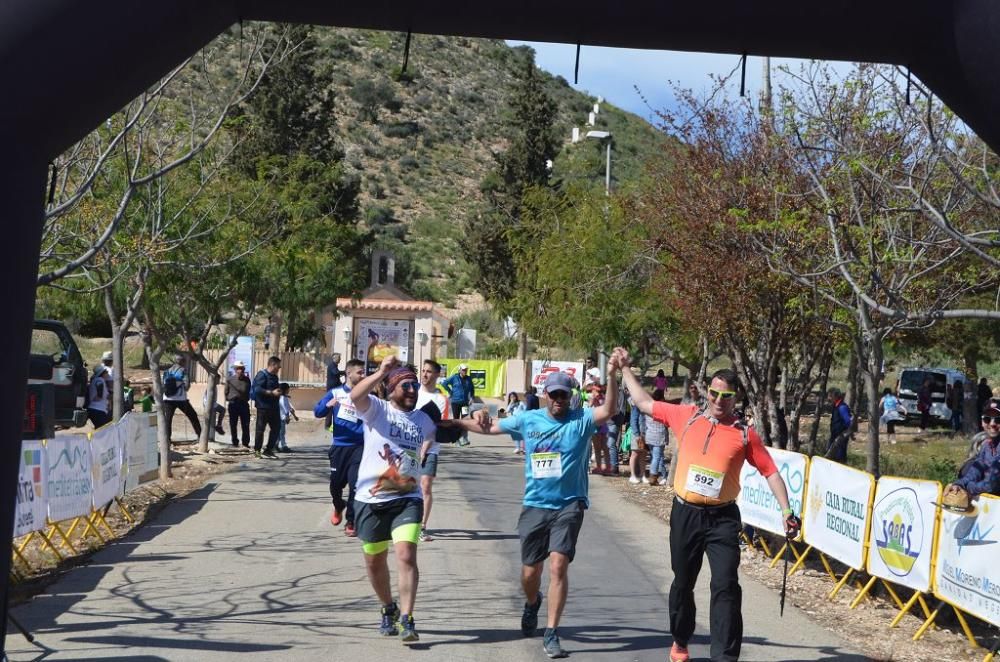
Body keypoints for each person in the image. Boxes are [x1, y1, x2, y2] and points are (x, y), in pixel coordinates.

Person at [617, 349, 798, 662]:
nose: (718, 400)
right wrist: (624, 369)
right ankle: (680, 639)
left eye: (725, 396)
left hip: (723, 518)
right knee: (683, 582)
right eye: (714, 393)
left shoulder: (744, 435)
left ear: (735, 398)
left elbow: (770, 472)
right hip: (685, 513)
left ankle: (725, 656)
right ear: (707, 392)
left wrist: (787, 512)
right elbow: (644, 403)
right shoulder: (685, 416)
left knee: (726, 584)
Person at [446, 358, 621, 659]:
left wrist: (614, 374)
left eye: (563, 395)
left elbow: (609, 410)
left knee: (557, 565)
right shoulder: (529, 419)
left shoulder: (581, 420)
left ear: (570, 396)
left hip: (569, 504)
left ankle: (551, 633)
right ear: (545, 395)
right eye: (553, 394)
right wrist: (460, 421)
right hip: (535, 505)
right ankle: (532, 603)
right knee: (530, 574)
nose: (557, 400)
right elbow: (492, 427)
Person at [350, 356, 436, 644]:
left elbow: (444, 428)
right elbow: (355, 395)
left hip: (407, 498)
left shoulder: (423, 419)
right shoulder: (377, 409)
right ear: (391, 388)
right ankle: (388, 607)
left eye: (415, 385)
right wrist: (381, 372)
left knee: (405, 555)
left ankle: (407, 619)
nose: (412, 389)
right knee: (375, 561)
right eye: (406, 385)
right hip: (370, 500)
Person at [315, 358, 366, 536]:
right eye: (360, 372)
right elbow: (317, 412)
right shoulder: (336, 392)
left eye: (363, 372)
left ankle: (351, 521)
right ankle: (338, 505)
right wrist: (327, 406)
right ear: (348, 373)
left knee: (355, 485)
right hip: (339, 446)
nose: (363, 375)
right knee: (336, 485)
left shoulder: (367, 395)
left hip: (359, 447)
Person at [415, 359, 454, 542]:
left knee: (425, 486)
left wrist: (424, 449)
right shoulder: (411, 394)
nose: (424, 374)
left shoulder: (441, 400)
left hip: (430, 449)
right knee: (401, 486)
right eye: (423, 370)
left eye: (429, 371)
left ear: (437, 375)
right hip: (407, 447)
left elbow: (437, 427)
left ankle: (422, 527)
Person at [943, 402, 1000, 506]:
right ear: (982, 422)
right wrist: (959, 484)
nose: (992, 424)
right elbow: (975, 471)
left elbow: (991, 484)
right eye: (987, 419)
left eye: (998, 419)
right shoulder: (987, 445)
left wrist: (968, 487)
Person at [162, 354, 202, 443]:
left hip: (167, 399)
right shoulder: (183, 371)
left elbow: (162, 385)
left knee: (168, 420)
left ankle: (167, 439)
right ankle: (200, 436)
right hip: (181, 399)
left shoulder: (167, 371)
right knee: (193, 416)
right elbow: (187, 386)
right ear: (182, 361)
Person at [252, 356, 282, 459]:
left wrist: (279, 392)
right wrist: (271, 392)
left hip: (274, 407)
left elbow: (274, 389)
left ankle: (268, 450)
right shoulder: (262, 375)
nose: (279, 368)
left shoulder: (275, 376)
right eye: (278, 366)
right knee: (260, 430)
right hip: (263, 407)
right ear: (273, 365)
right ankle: (257, 451)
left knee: (277, 428)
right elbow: (257, 389)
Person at [643, 391, 668, 486]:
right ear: (661, 398)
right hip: (659, 436)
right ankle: (653, 477)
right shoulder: (662, 409)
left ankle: (664, 475)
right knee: (657, 458)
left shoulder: (648, 408)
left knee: (657, 457)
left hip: (649, 436)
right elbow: (666, 423)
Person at [225, 361, 251, 448]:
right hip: (233, 404)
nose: (240, 370)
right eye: (238, 369)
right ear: (235, 370)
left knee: (246, 424)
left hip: (244, 404)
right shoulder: (230, 379)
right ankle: (235, 442)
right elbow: (226, 392)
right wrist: (229, 398)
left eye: (242, 369)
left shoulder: (247, 380)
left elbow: (248, 391)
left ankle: (245, 443)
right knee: (233, 424)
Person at [826, 387, 853, 462]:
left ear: (835, 396)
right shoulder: (836, 406)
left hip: (840, 438)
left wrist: (848, 433)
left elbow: (848, 421)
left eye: (830, 396)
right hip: (834, 436)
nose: (829, 398)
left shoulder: (842, 407)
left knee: (839, 458)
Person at [627, 390, 647, 484]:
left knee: (643, 454)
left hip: (644, 433)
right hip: (637, 434)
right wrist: (636, 434)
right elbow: (633, 421)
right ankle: (633, 475)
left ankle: (643, 475)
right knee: (634, 454)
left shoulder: (645, 407)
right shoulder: (636, 407)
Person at [87, 363, 112, 428]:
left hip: (97, 410)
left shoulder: (97, 380)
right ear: (102, 373)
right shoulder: (100, 380)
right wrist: (100, 396)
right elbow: (99, 391)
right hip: (98, 410)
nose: (108, 373)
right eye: (106, 372)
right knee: (104, 429)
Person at [277, 383, 298, 452]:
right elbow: (286, 408)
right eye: (288, 389)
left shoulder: (284, 397)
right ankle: (284, 446)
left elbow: (289, 408)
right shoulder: (282, 398)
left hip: (282, 417)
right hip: (281, 417)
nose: (289, 390)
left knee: (280, 433)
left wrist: (294, 416)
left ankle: (275, 445)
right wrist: (287, 417)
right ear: (285, 390)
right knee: (282, 432)